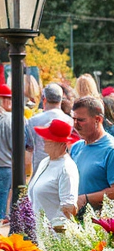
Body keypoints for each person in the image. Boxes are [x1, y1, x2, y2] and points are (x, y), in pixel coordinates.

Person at [70, 96, 114, 210]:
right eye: (74, 119)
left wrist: (85, 199)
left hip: (99, 223)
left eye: (81, 120)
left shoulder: (113, 150)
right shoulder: (76, 147)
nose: (75, 125)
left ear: (98, 120)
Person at [27, 119, 78, 229]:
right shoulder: (45, 161)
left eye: (48, 140)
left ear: (60, 144)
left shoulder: (66, 168)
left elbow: (69, 207)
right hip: (38, 230)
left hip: (54, 236)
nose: (44, 141)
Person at [0, 83, 32, 223]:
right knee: (6, 205)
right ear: (5, 100)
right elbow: (23, 147)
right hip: (8, 167)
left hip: (6, 166)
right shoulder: (16, 119)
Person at [28, 84, 73, 171]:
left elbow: (28, 147)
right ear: (61, 100)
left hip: (39, 168)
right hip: (61, 167)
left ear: (44, 99)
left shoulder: (32, 121)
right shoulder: (70, 121)